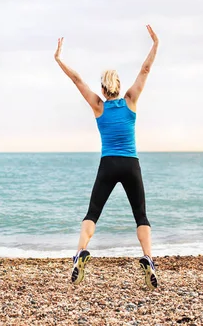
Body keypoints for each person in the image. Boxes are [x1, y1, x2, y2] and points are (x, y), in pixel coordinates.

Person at [54, 25, 159, 290]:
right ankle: (148, 258)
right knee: (141, 216)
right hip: (131, 164)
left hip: (108, 164)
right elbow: (145, 70)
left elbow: (77, 80)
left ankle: (80, 253)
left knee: (93, 213)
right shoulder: (131, 99)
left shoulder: (98, 105)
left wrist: (59, 60)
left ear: (103, 88)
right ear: (120, 86)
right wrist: (155, 44)